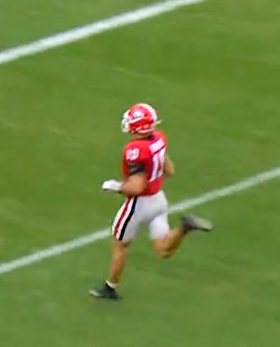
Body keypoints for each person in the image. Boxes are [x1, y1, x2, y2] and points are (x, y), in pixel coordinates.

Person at [91, 103, 213, 300]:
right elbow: (170, 170)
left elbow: (137, 187)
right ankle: (183, 228)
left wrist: (116, 186)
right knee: (163, 250)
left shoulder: (135, 150)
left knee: (120, 246)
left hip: (138, 205)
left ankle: (110, 288)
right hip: (158, 200)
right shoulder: (159, 139)